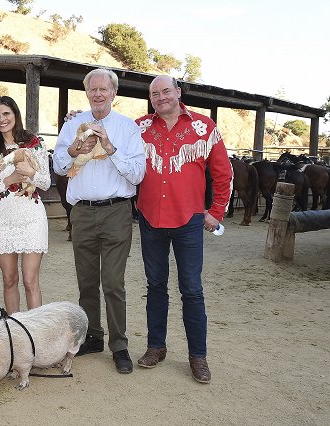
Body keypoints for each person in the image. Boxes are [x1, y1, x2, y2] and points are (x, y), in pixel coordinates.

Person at [134, 75, 232, 383]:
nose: (161, 97)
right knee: (155, 286)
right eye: (154, 93)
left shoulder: (205, 128)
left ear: (178, 92)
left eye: (166, 90)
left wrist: (216, 212)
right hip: (150, 218)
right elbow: (107, 136)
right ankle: (156, 346)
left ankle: (198, 356)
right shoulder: (138, 129)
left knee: (191, 289)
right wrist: (78, 121)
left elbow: (223, 173)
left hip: (189, 220)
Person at [52, 68, 146, 374]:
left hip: (116, 211)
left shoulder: (127, 128)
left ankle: (119, 345)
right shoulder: (73, 125)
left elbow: (137, 174)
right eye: (92, 89)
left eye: (104, 89)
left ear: (114, 93)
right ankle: (92, 337)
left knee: (113, 283)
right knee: (87, 281)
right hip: (81, 212)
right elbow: (59, 165)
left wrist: (110, 149)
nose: (97, 94)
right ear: (87, 92)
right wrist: (73, 149)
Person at [0, 96, 50, 314]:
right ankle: (15, 331)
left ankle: (35, 333)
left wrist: (30, 173)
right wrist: (8, 181)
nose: (2, 119)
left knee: (30, 281)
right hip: (3, 221)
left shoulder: (35, 144)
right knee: (9, 280)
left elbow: (46, 183)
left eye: (6, 114)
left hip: (32, 219)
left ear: (15, 115)